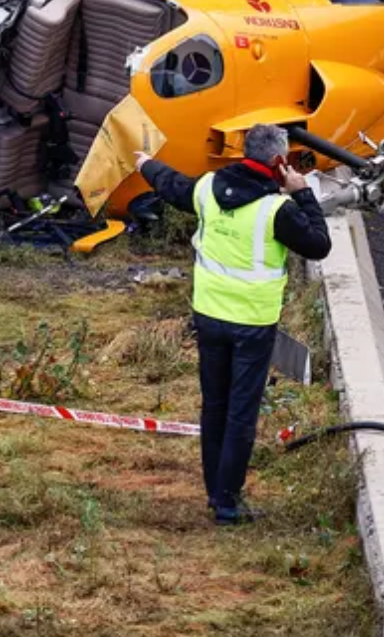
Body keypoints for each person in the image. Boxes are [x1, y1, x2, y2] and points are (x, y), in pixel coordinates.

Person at [133, 124, 332, 525]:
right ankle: (227, 501)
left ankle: (214, 491)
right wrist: (303, 192)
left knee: (215, 405)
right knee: (241, 411)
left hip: (209, 316)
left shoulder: (207, 189)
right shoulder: (278, 210)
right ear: (278, 161)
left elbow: (172, 185)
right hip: (253, 324)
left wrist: (145, 164)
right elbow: (320, 244)